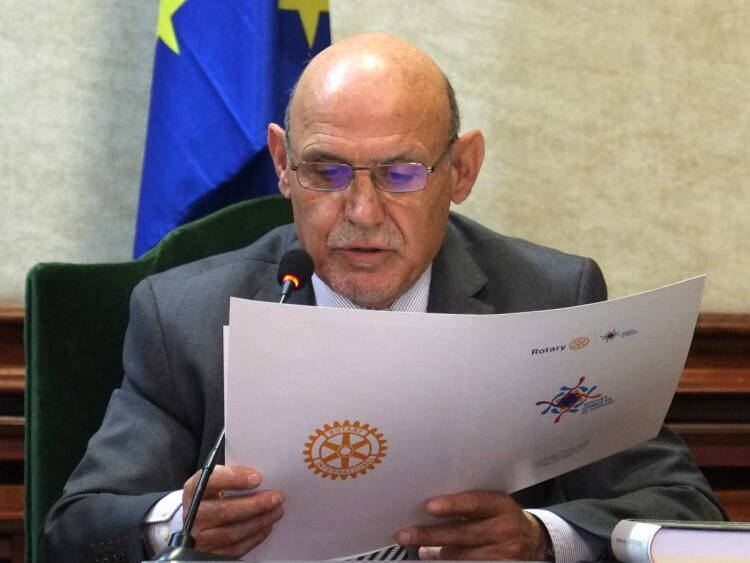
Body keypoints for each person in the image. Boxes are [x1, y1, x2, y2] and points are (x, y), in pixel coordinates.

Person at [41, 33, 725, 562]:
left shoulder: (548, 297)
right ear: (282, 164)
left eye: (401, 173)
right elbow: (75, 527)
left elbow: (684, 513)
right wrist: (176, 518)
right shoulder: (184, 315)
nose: (362, 211)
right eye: (326, 170)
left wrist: (540, 537)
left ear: (461, 170)